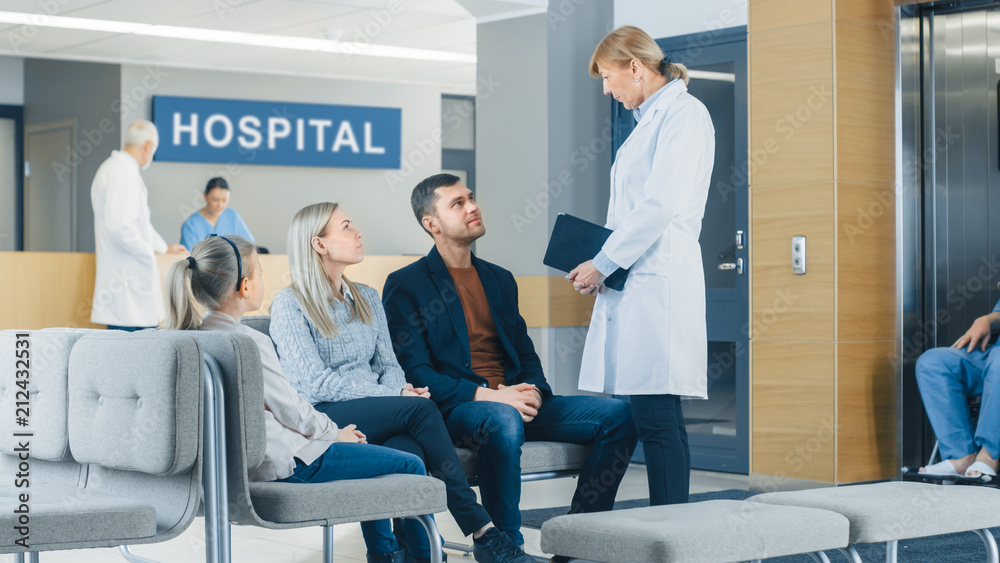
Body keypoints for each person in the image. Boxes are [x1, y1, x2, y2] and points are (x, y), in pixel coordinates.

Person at [382, 174, 638, 554]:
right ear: (431, 224)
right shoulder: (406, 284)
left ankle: (578, 541)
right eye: (457, 203)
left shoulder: (500, 279)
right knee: (501, 419)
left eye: (471, 198)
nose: (472, 207)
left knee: (618, 415)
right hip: (458, 410)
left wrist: (533, 389)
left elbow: (524, 351)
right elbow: (416, 373)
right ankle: (503, 546)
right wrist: (492, 397)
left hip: (514, 400)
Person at [269, 202, 534, 563]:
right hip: (325, 413)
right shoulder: (290, 304)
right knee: (422, 411)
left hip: (379, 407)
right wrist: (396, 395)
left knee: (408, 448)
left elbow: (389, 366)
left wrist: (400, 390)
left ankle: (410, 555)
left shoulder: (367, 297)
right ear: (319, 244)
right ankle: (482, 529)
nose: (358, 232)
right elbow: (315, 384)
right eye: (346, 227)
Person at [162, 233, 430, 563]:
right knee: (410, 464)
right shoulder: (247, 343)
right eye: (259, 271)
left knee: (370, 461)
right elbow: (293, 411)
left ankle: (385, 553)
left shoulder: (191, 339)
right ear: (245, 287)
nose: (263, 279)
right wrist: (336, 434)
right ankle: (421, 557)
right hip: (290, 464)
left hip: (234, 470)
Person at [566, 25, 715, 507]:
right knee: (643, 414)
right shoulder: (650, 121)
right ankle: (593, 524)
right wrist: (603, 266)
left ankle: (671, 536)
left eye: (609, 78)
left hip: (659, 283)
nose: (607, 90)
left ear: (635, 67)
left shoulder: (684, 115)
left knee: (657, 417)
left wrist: (604, 262)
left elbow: (660, 203)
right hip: (637, 279)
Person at [91, 120, 187, 332]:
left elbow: (138, 222)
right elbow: (121, 227)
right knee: (136, 355)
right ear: (148, 146)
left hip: (126, 287)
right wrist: (147, 253)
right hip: (128, 285)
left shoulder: (114, 169)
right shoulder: (123, 174)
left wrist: (163, 248)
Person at [916, 301, 1000, 478]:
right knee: (933, 363)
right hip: (992, 352)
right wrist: (987, 320)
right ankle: (962, 457)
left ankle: (989, 457)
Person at [180, 176, 255, 251]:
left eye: (224, 200)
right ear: (205, 196)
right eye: (215, 200)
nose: (220, 205)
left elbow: (248, 247)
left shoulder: (233, 216)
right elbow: (189, 256)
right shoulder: (191, 224)